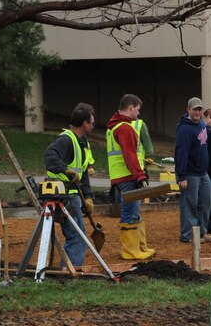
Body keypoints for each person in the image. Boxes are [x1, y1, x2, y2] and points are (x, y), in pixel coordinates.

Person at [44, 103, 96, 268]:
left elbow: (83, 173)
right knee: (77, 236)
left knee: (75, 234)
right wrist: (66, 170)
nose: (94, 125)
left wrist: (88, 197)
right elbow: (49, 157)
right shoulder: (66, 139)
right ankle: (69, 270)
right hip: (62, 195)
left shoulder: (82, 143)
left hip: (74, 196)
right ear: (85, 123)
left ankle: (67, 268)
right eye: (92, 122)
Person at [106, 94, 155, 259]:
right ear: (131, 107)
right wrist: (140, 176)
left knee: (134, 210)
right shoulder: (125, 128)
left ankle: (138, 248)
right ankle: (130, 251)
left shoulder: (114, 126)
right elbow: (130, 156)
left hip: (122, 176)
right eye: (138, 109)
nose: (138, 114)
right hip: (128, 177)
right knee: (130, 211)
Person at [174, 96, 211, 243]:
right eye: (194, 109)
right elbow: (181, 153)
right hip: (190, 174)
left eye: (199, 109)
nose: (197, 112)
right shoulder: (184, 129)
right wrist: (182, 176)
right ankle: (187, 235)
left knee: (205, 203)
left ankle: (202, 232)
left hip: (203, 173)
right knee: (189, 205)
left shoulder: (202, 124)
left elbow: (207, 140)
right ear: (188, 109)